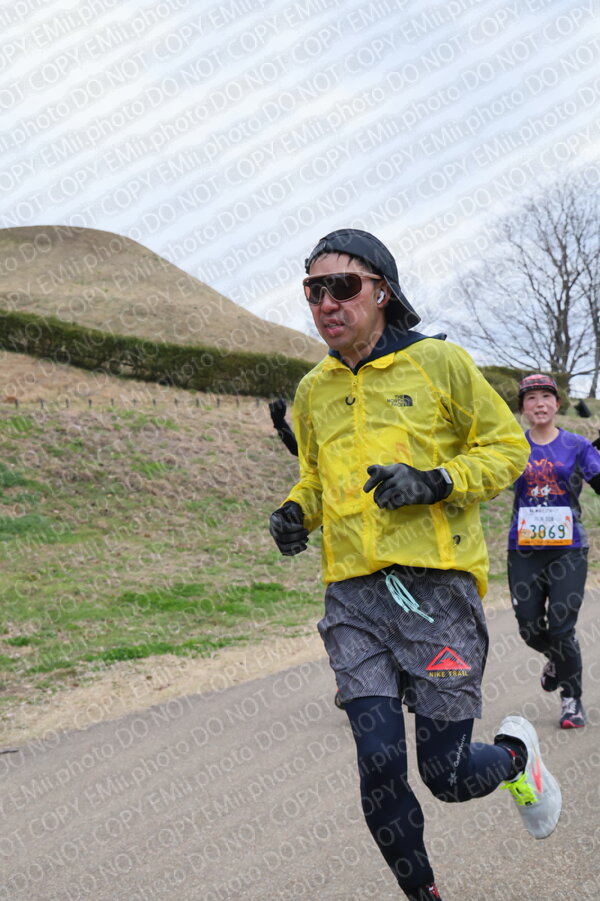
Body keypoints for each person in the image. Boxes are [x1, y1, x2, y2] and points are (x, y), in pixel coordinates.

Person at [268, 229, 562, 901]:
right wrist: (295, 513)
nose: (326, 303)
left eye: (342, 286)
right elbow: (315, 480)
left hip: (437, 592)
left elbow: (507, 448)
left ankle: (516, 757)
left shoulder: (440, 363)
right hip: (353, 597)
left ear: (382, 292)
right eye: (314, 290)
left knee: (446, 774)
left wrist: (436, 481)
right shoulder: (313, 390)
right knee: (378, 764)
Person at [508, 373, 600, 729]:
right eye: (531, 398)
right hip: (524, 550)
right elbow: (487, 484)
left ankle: (571, 700)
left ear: (557, 403)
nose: (539, 404)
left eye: (546, 396)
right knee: (530, 628)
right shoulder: (511, 446)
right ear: (523, 408)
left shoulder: (577, 445)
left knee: (562, 628)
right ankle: (559, 661)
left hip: (568, 550)